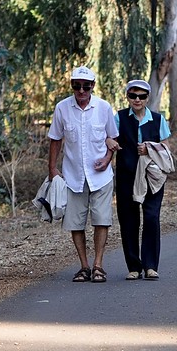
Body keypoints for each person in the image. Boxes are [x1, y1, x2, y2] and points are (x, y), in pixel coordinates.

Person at [48, 66, 118, 283]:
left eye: (85, 86)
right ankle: (84, 266)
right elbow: (56, 139)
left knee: (101, 219)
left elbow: (113, 139)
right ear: (72, 86)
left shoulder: (104, 108)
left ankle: (98, 265)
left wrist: (107, 160)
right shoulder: (62, 108)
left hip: (101, 176)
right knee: (75, 222)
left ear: (92, 86)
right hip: (73, 175)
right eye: (76, 86)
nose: (81, 91)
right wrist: (52, 168)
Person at [108, 79, 172, 281]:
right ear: (127, 97)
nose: (137, 99)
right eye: (133, 95)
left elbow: (166, 148)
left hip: (152, 177)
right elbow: (110, 139)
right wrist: (109, 141)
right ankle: (134, 266)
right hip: (127, 176)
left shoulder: (158, 119)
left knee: (152, 217)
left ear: (147, 98)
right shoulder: (118, 118)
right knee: (128, 220)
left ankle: (151, 266)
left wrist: (150, 148)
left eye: (142, 96)